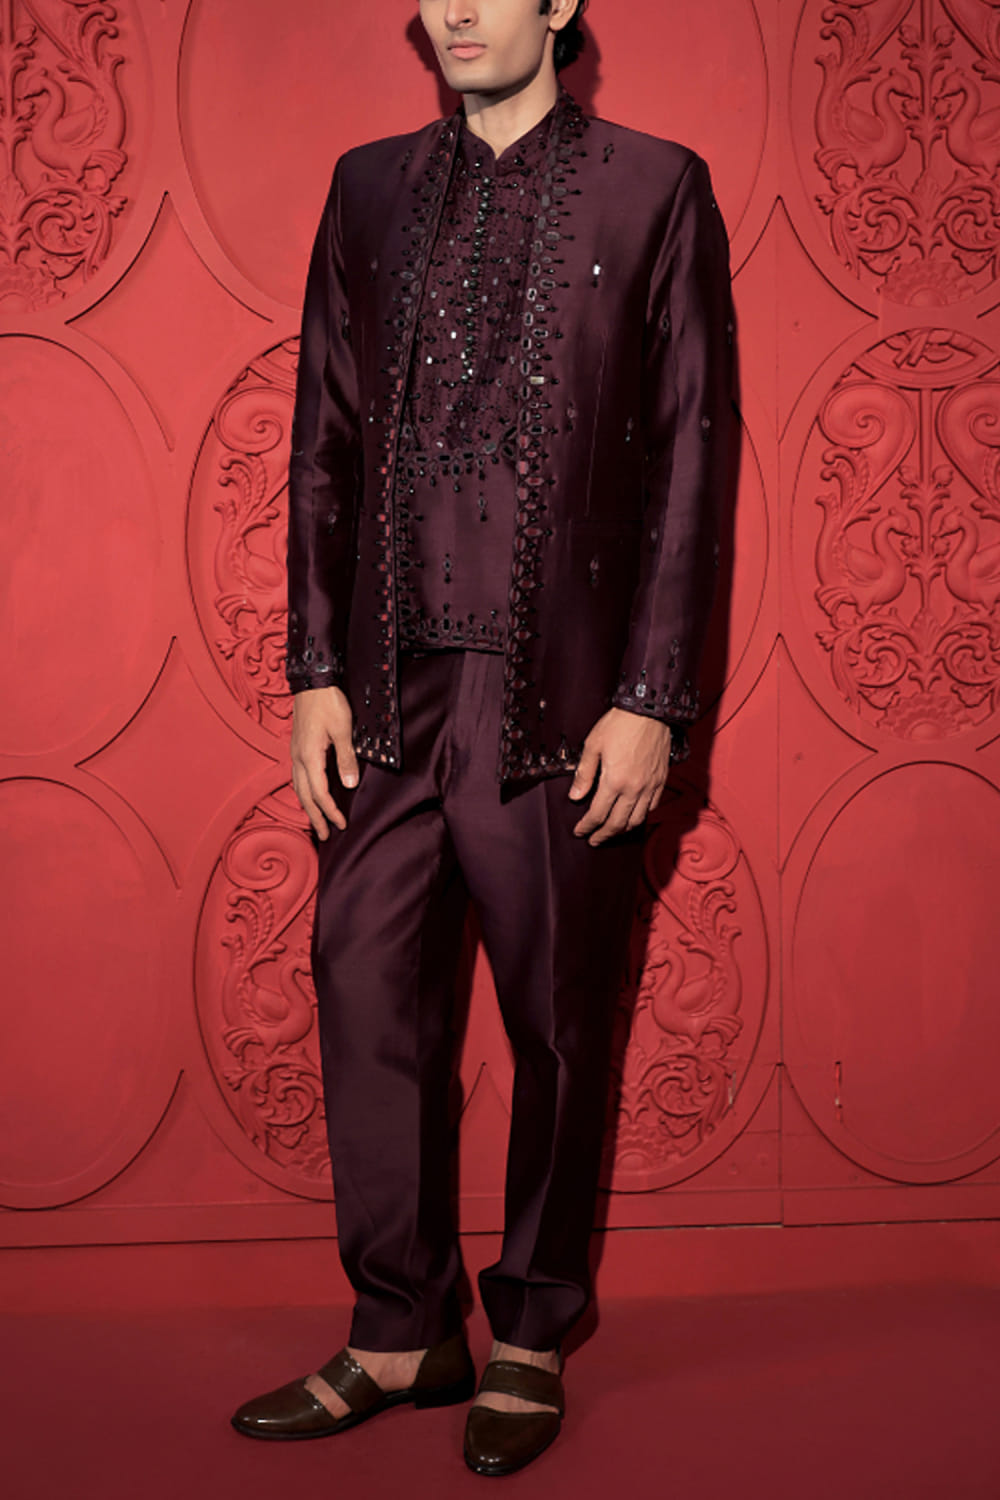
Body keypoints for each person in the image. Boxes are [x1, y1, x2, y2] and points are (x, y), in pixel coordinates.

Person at [232, 0, 733, 1476]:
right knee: (364, 987)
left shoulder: (657, 187)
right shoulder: (367, 187)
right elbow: (323, 433)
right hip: (389, 688)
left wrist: (653, 698)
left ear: (559, 1)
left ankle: (529, 1332)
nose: (457, 6)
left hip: (563, 696)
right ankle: (403, 1327)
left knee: (559, 1021)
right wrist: (314, 670)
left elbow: (694, 453)